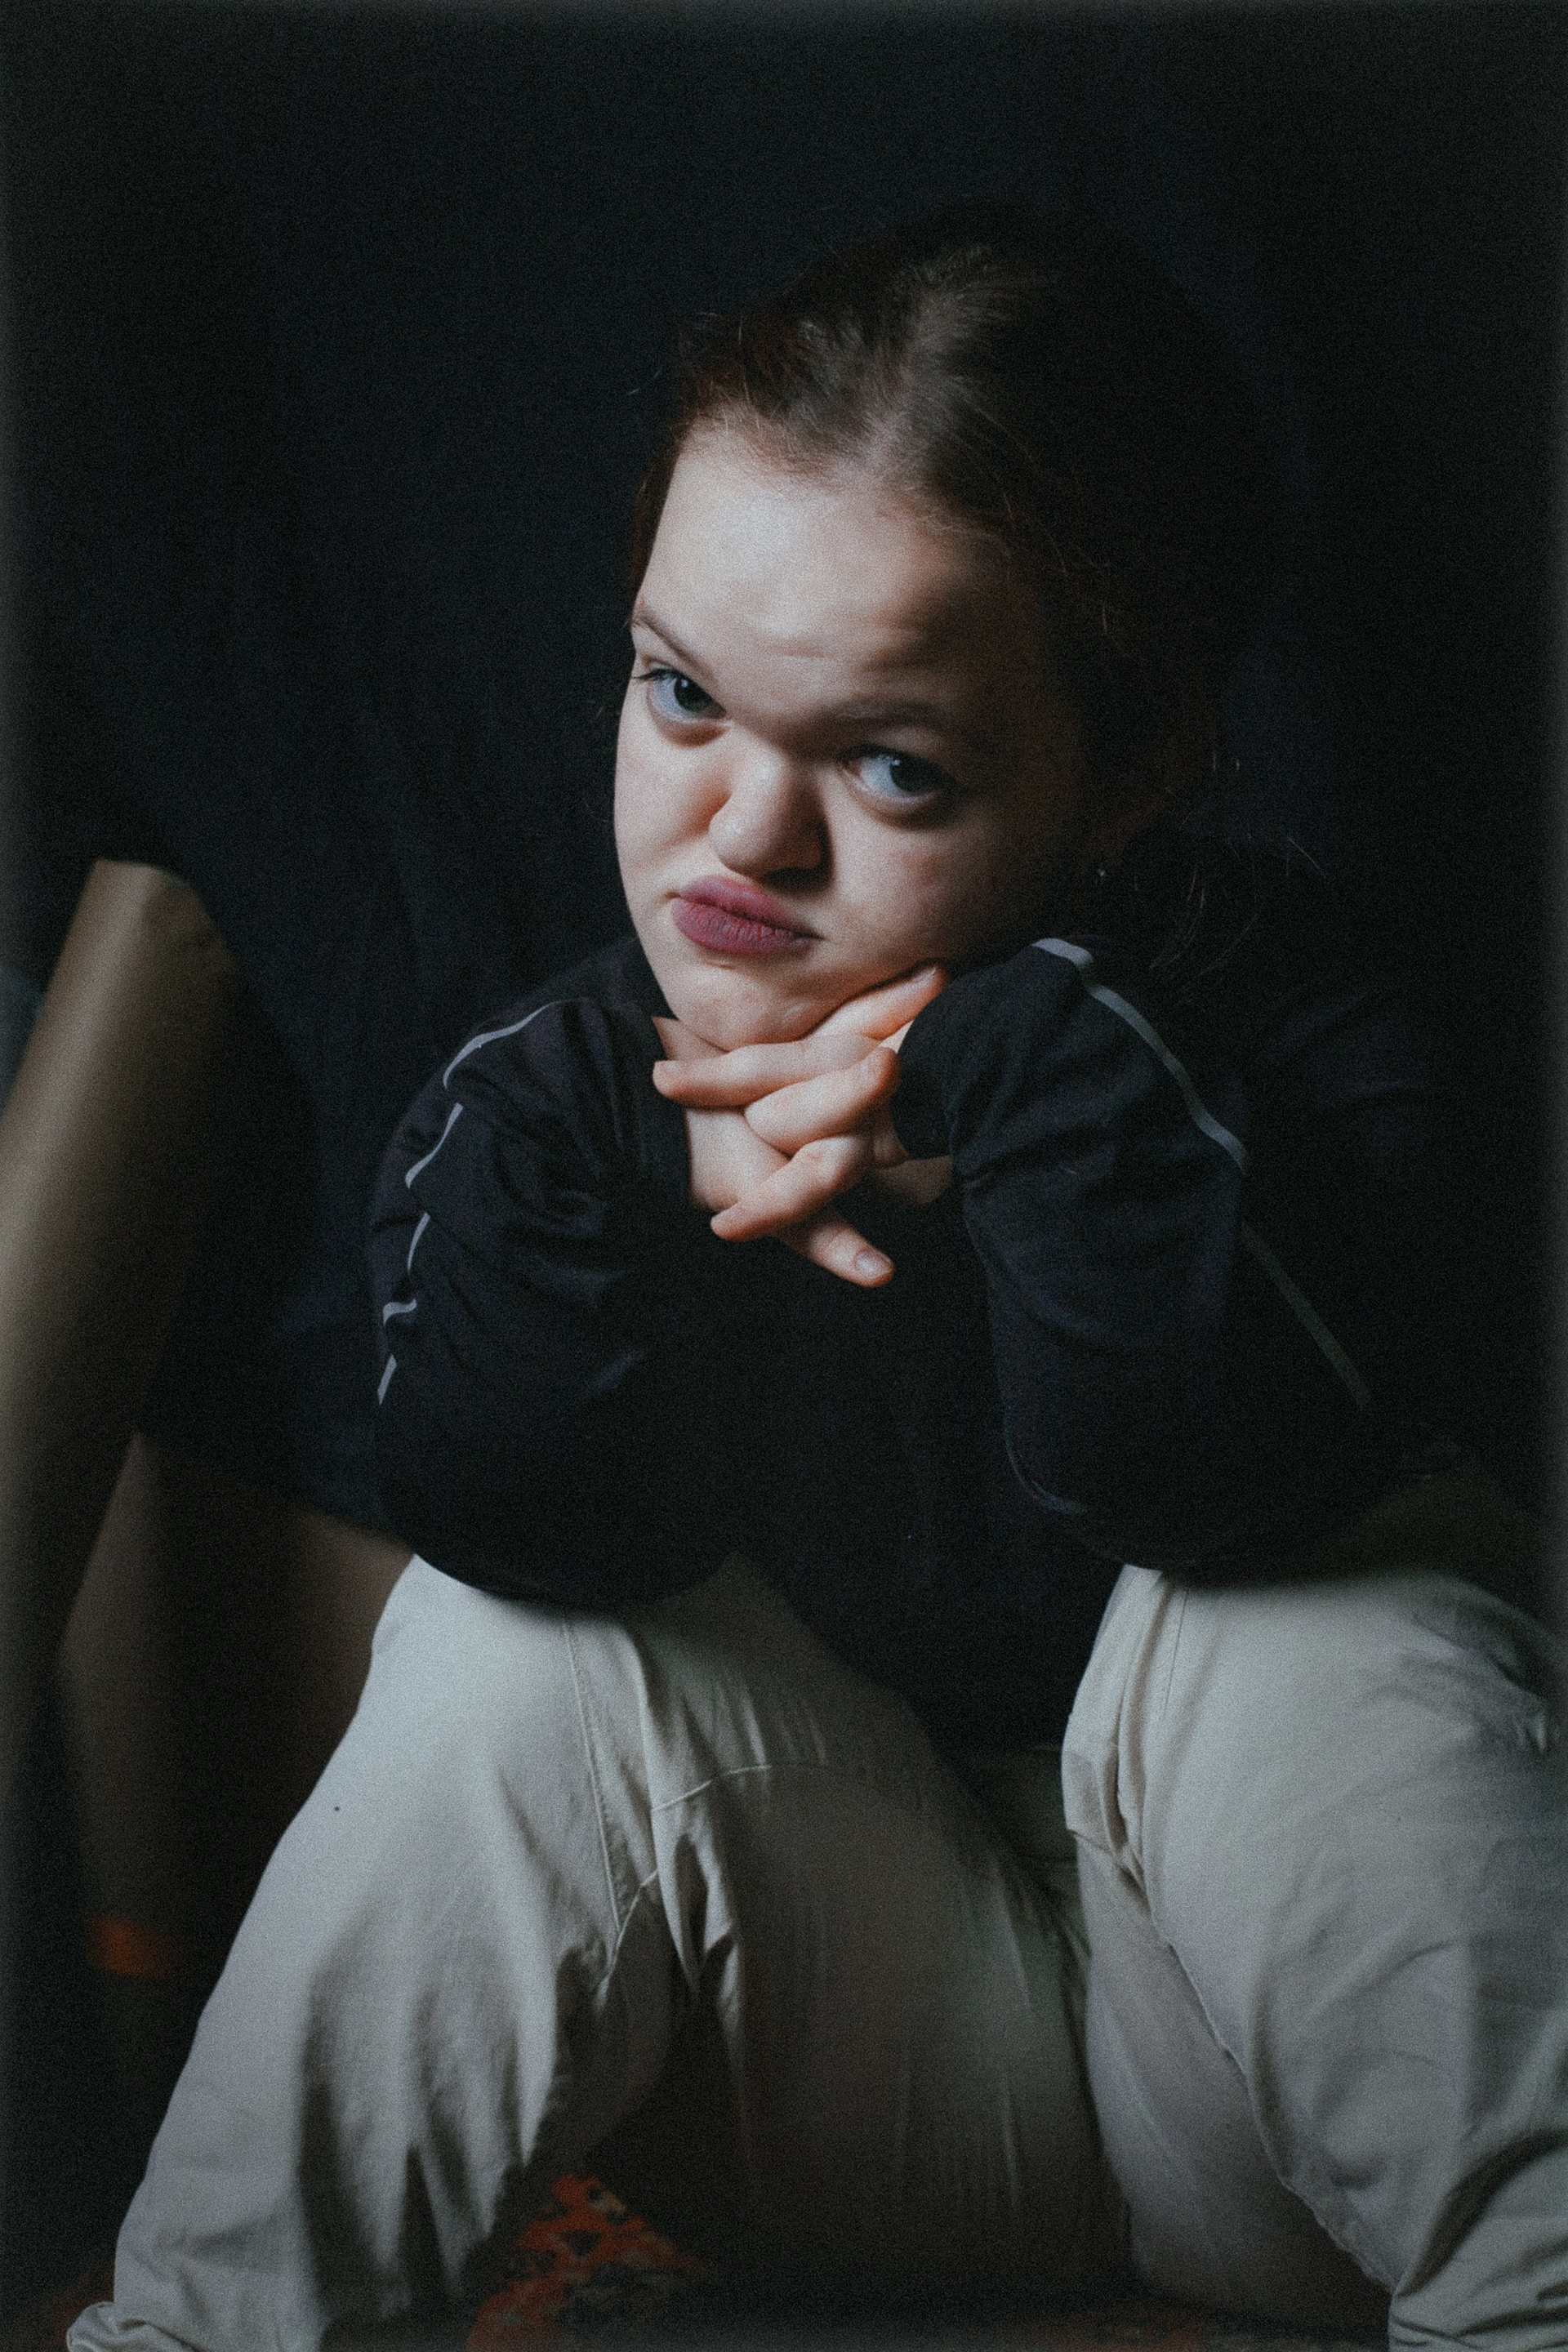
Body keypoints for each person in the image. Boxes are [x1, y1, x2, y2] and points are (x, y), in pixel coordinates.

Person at [70, 207, 1566, 2352]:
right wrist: (634, 1163)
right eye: (682, 692)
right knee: (506, 1642)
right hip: (880, 2060)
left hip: (1285, 2105)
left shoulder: (1306, 1021)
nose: (741, 839)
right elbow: (523, 1519)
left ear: (1129, 774)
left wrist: (999, 1061)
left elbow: (1195, 1468)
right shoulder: (562, 1093)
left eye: (891, 766)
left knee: (1311, 1615)